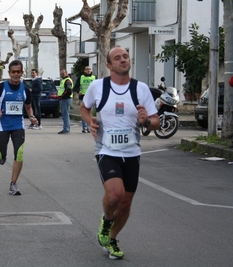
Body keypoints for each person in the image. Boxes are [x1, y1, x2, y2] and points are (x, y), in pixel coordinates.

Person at [79, 46, 160, 260]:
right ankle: (106, 220)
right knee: (116, 194)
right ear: (109, 65)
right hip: (106, 149)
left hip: (132, 152)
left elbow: (155, 122)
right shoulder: (98, 86)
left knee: (126, 203)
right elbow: (84, 108)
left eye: (125, 56)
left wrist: (146, 121)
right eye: (117, 58)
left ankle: (112, 239)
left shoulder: (141, 89)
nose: (123, 60)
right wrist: (90, 123)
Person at [0, 59, 37, 195]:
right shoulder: (1, 87)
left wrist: (32, 117)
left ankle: (13, 184)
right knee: (2, 157)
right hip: (2, 125)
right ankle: (0, 153)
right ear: (9, 72)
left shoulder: (25, 89)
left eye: (18, 72)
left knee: (19, 153)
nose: (15, 74)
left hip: (18, 125)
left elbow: (28, 107)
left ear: (21, 73)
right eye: (13, 72)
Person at [74, 66, 96, 133]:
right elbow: (76, 87)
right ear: (84, 71)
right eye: (87, 69)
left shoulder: (94, 78)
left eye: (89, 69)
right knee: (84, 112)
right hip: (83, 97)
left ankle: (89, 127)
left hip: (91, 97)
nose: (88, 70)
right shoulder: (81, 77)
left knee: (90, 113)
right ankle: (84, 128)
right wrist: (78, 91)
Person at [58, 69, 73, 134]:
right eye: (61, 74)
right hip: (64, 99)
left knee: (65, 115)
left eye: (63, 73)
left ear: (66, 73)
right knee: (64, 114)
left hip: (66, 99)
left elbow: (68, 90)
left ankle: (66, 129)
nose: (62, 75)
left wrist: (62, 96)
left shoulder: (67, 80)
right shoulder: (64, 80)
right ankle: (66, 128)